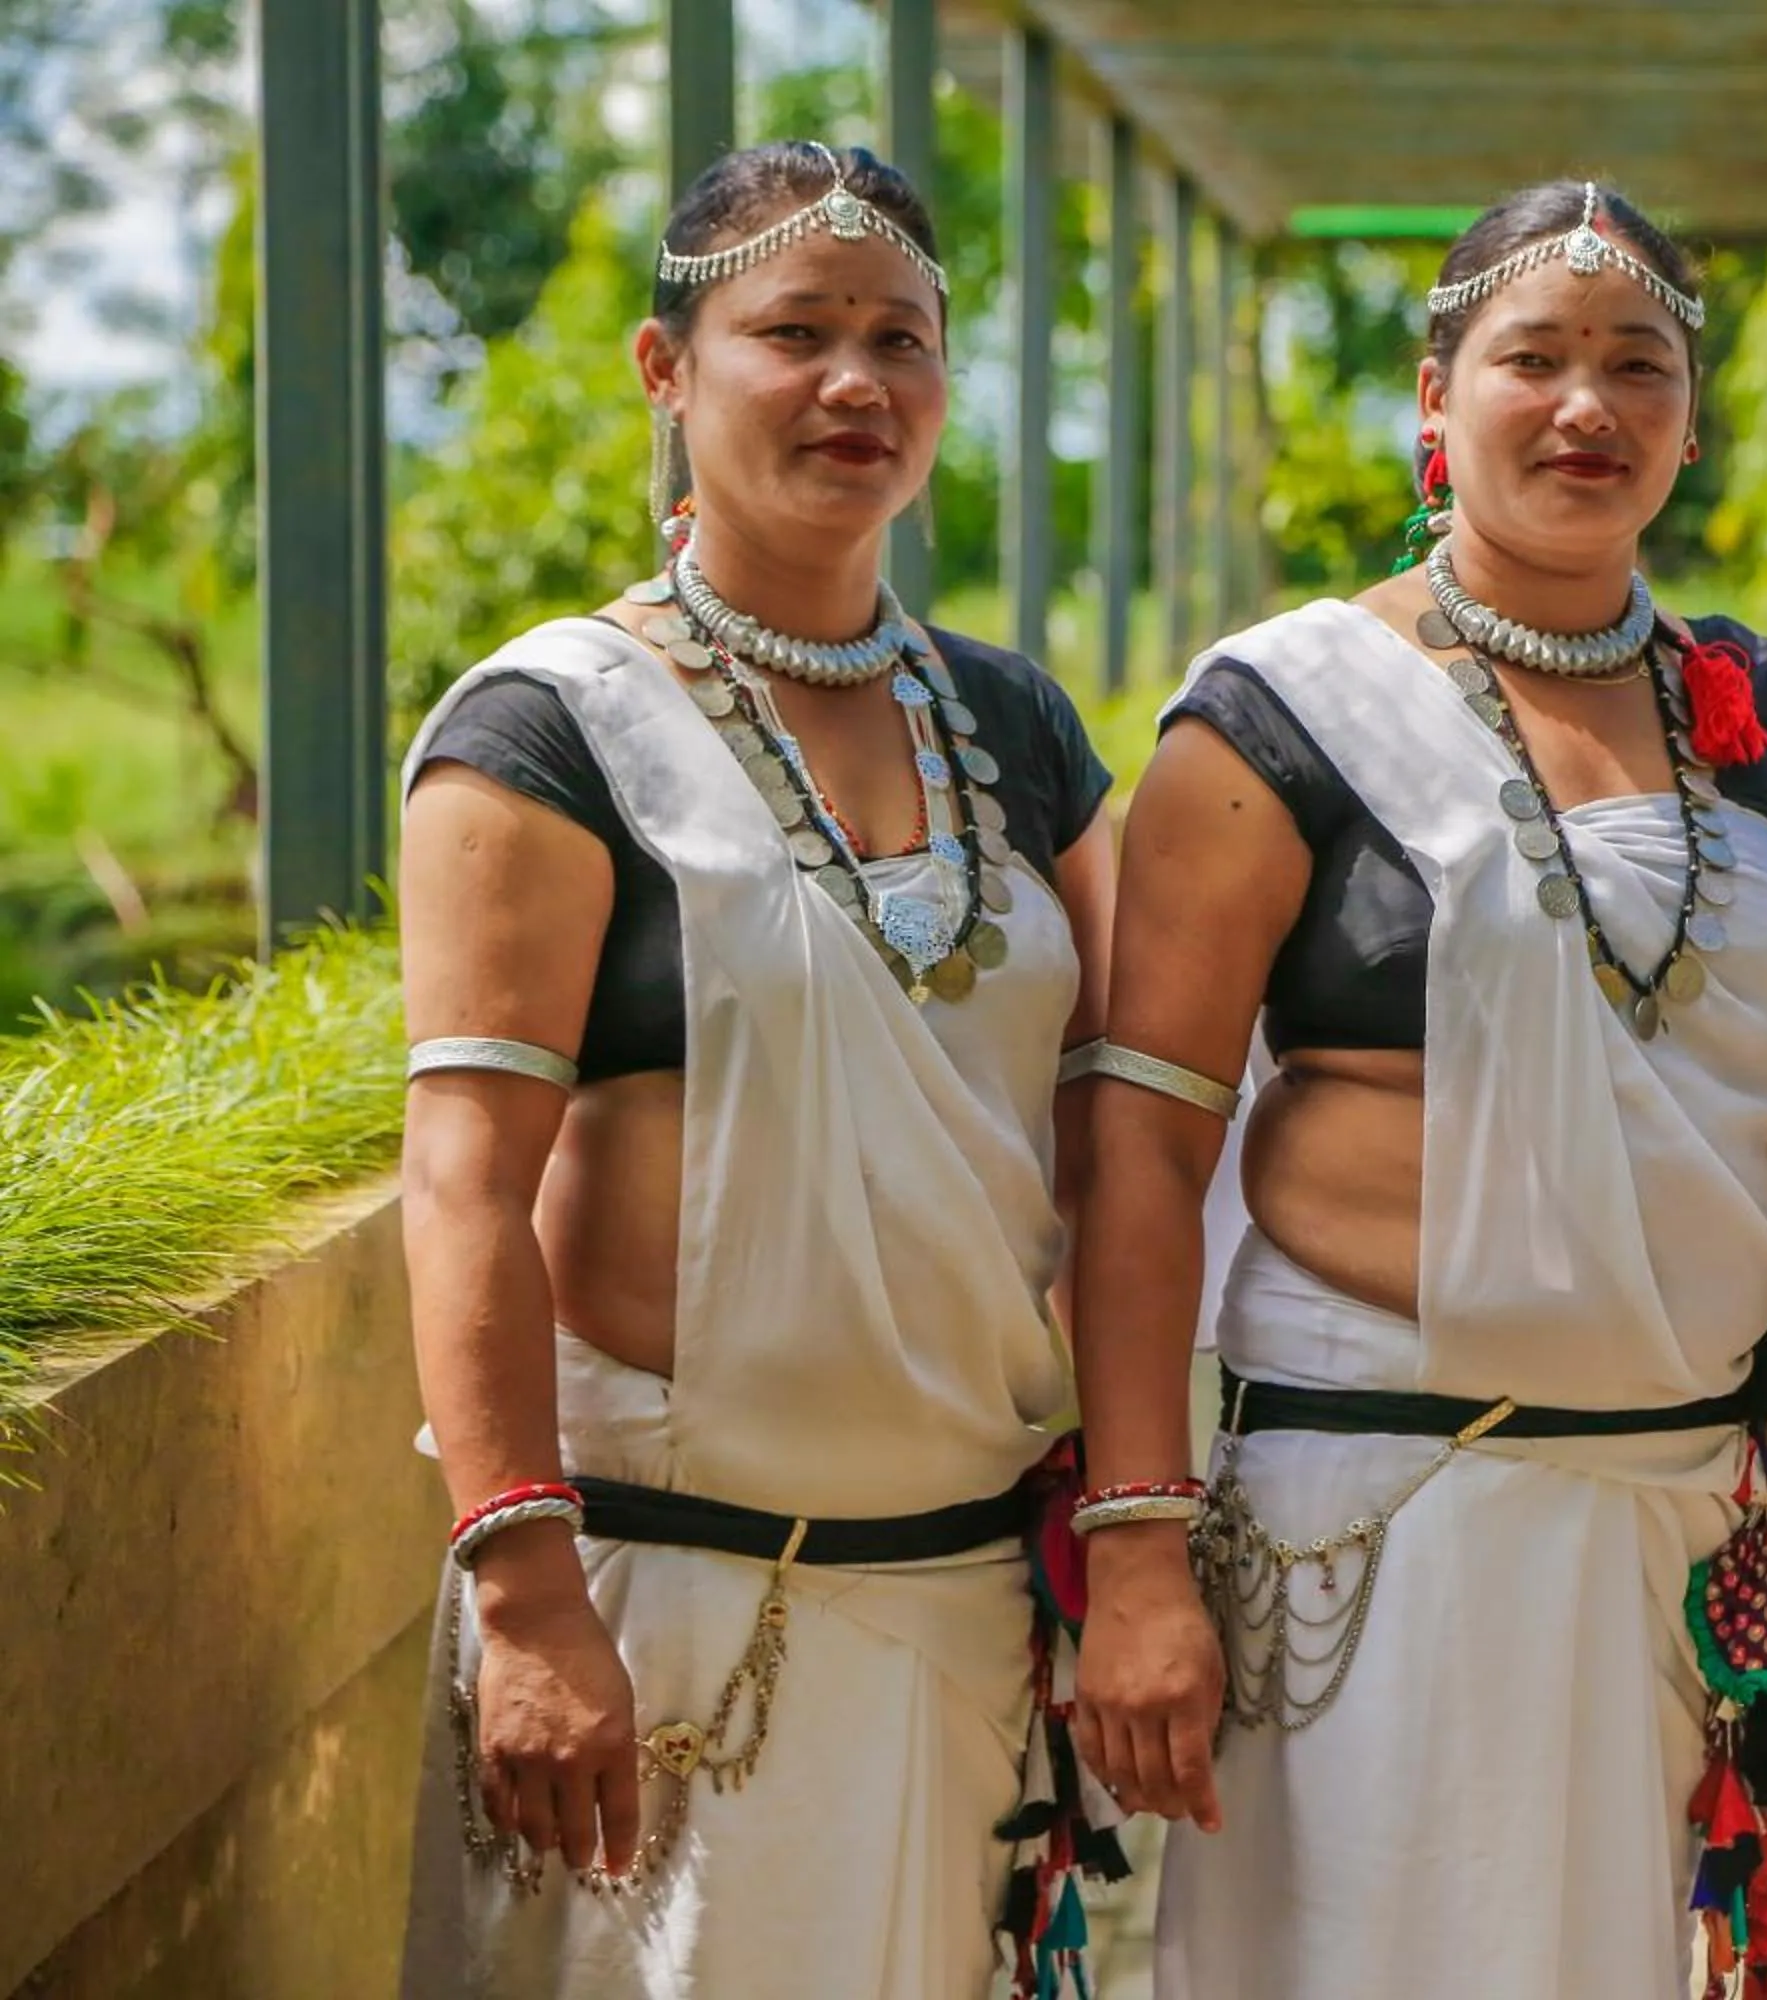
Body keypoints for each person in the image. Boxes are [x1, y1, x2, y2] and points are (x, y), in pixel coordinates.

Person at [1062, 181, 1767, 1998]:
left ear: (1686, 415)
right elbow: (1136, 1152)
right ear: (1435, 401)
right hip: (1368, 1524)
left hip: (1667, 1526)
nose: (1588, 406)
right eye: (1536, 359)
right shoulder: (1282, 713)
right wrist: (1133, 1553)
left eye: (1637, 366)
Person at [392, 140, 1117, 2000]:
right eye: (792, 331)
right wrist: (528, 1600)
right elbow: (464, 1186)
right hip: (656, 1610)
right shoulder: (552, 728)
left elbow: (1134, 1120)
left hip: (962, 1608)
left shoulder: (1019, 730)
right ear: (667, 367)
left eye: (901, 339)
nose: (854, 383)